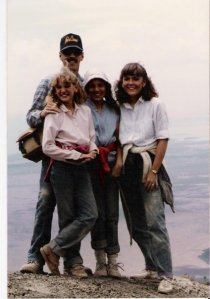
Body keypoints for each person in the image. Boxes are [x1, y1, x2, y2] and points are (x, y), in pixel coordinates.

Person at [20, 33, 92, 278]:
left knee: (71, 210)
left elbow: (85, 119)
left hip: (80, 157)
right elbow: (30, 115)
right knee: (45, 203)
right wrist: (43, 114)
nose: (71, 56)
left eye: (75, 52)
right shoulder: (48, 81)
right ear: (60, 56)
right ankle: (35, 258)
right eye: (67, 52)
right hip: (53, 157)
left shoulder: (84, 83)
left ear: (82, 55)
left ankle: (72, 261)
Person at [114, 62, 174, 294]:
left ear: (144, 82)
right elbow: (119, 138)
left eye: (135, 79)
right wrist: (119, 160)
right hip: (128, 165)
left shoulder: (155, 104)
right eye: (127, 79)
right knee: (136, 222)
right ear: (122, 82)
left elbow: (163, 139)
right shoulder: (120, 106)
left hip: (148, 163)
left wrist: (154, 171)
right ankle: (150, 266)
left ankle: (165, 274)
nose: (131, 83)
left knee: (155, 222)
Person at [40, 67, 98, 275]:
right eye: (59, 88)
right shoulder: (54, 114)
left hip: (82, 168)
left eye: (67, 86)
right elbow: (48, 147)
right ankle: (74, 264)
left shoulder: (85, 111)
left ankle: (52, 249)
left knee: (90, 214)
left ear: (75, 88)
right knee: (68, 216)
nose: (63, 90)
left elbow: (91, 137)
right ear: (55, 92)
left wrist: (93, 151)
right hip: (62, 168)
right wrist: (76, 156)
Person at [83, 70, 123, 278]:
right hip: (91, 165)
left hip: (111, 164)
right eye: (92, 85)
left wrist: (119, 161)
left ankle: (113, 261)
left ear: (106, 88)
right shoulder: (82, 108)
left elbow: (120, 137)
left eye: (101, 85)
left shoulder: (114, 109)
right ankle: (100, 261)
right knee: (97, 213)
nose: (96, 90)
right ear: (86, 88)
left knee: (112, 214)